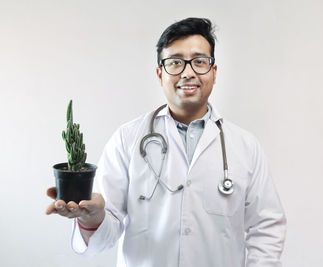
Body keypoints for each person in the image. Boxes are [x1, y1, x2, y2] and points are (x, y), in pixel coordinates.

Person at [46, 17, 286, 267]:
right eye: (175, 63)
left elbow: (266, 227)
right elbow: (107, 231)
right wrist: (92, 218)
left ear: (214, 73)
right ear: (160, 74)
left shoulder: (245, 146)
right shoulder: (127, 139)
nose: (188, 72)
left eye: (199, 62)